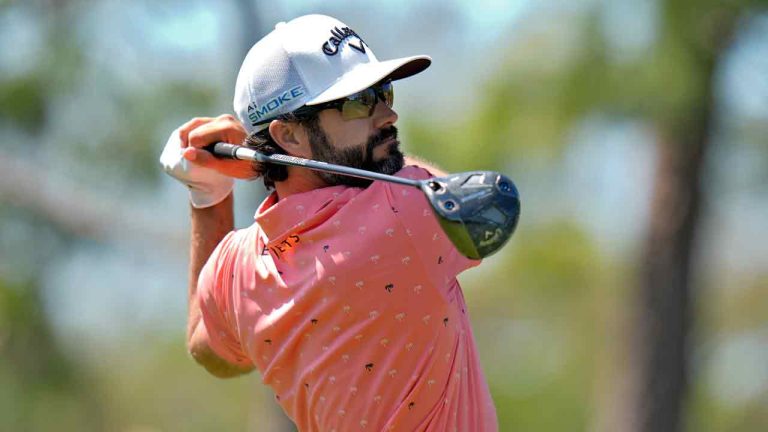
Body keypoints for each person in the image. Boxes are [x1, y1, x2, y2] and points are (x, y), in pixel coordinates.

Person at [160, 14, 498, 431]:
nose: (387, 114)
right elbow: (484, 205)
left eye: (383, 92)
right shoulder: (405, 209)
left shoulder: (236, 270)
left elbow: (210, 349)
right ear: (290, 138)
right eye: (358, 101)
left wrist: (208, 194)